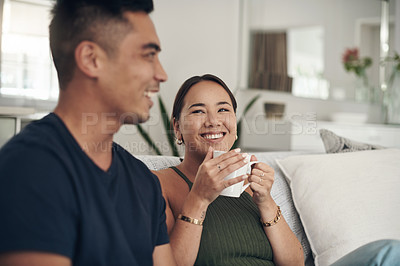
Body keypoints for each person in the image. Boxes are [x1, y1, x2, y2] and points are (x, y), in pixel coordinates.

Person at [0, 0, 176, 265]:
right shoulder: (28, 170)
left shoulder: (144, 182)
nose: (161, 74)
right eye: (148, 55)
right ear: (91, 59)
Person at [154, 74, 304, 265]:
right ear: (177, 127)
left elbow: (295, 263)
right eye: (199, 111)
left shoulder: (250, 185)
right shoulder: (159, 183)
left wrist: (266, 201)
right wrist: (198, 198)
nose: (213, 121)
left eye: (223, 109)